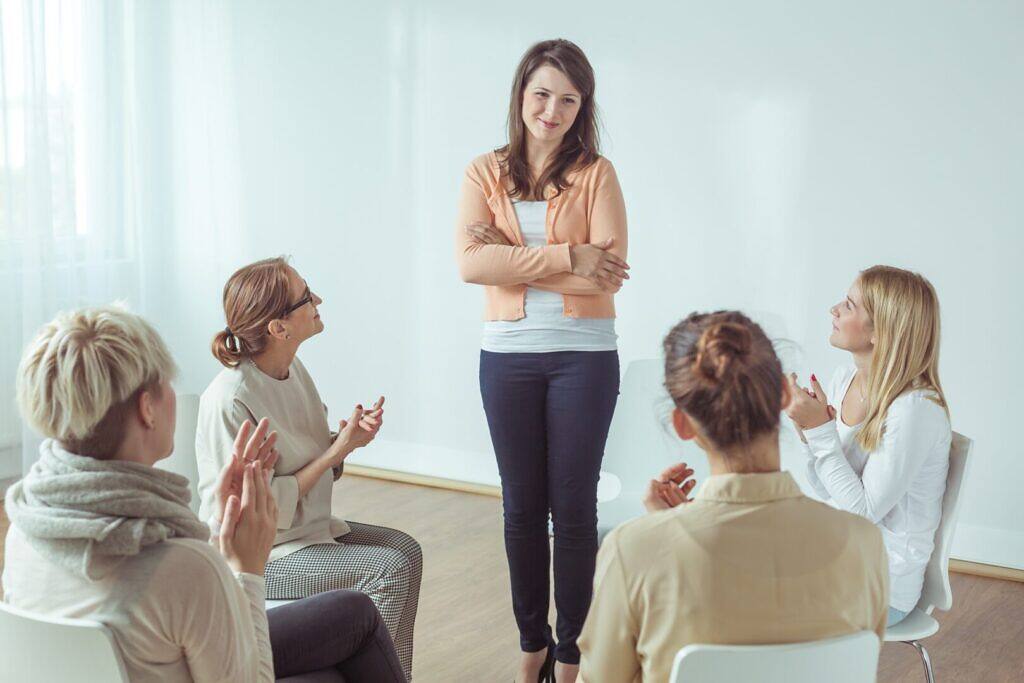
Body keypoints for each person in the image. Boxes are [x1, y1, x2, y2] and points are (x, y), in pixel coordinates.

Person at [3, 305, 405, 681]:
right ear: (147, 409)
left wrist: (217, 536)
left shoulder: (25, 531)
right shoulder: (182, 568)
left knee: (351, 612)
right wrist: (246, 568)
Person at [578, 311, 889, 682]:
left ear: (682, 423)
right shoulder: (863, 543)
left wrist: (660, 535)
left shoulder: (633, 551)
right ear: (785, 395)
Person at [455, 38, 629, 683]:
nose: (551, 110)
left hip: (584, 359)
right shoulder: (484, 172)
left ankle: (572, 652)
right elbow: (471, 266)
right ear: (520, 94)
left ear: (582, 107)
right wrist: (566, 257)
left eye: (567, 99)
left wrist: (513, 260)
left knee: (574, 507)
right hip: (507, 358)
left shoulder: (597, 173)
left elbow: (606, 279)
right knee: (521, 508)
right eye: (541, 94)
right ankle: (532, 645)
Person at [197, 256, 422, 681]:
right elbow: (255, 513)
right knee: (387, 569)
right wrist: (333, 454)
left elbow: (312, 463)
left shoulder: (292, 368)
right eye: (305, 297)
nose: (317, 299)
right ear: (278, 328)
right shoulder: (231, 399)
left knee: (406, 549)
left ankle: (394, 675)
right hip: (264, 552)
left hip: (306, 531)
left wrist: (343, 442)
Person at [786, 265, 952, 626]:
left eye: (848, 305)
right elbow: (825, 488)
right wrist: (807, 431)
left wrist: (821, 432)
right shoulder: (846, 378)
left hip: (880, 587)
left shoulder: (915, 409)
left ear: (881, 331)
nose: (834, 310)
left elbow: (862, 513)